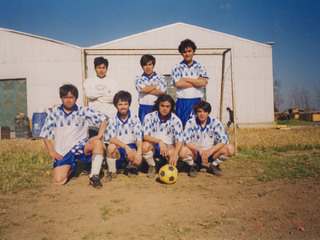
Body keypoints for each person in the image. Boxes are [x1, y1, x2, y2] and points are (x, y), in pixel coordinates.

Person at [40, 84, 107, 188]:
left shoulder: (83, 111)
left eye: (71, 97)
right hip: (63, 152)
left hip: (80, 147)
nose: (68, 100)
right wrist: (52, 152)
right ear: (61, 98)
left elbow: (103, 119)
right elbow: (45, 134)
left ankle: (94, 176)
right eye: (65, 97)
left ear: (76, 98)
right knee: (59, 181)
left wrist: (99, 135)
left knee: (97, 142)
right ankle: (71, 167)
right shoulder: (54, 112)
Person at [179, 100, 234, 177]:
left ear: (208, 113)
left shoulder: (215, 122)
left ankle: (214, 165)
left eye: (205, 111)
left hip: (212, 153)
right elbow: (186, 141)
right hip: (196, 153)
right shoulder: (191, 122)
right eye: (199, 111)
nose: (202, 114)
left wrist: (210, 151)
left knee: (230, 148)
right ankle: (193, 166)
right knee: (182, 151)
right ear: (196, 112)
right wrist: (199, 150)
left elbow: (223, 140)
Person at [104, 91, 143, 181]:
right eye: (120, 104)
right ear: (116, 105)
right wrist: (126, 148)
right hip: (119, 148)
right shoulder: (112, 119)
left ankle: (129, 167)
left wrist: (138, 152)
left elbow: (138, 137)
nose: (123, 107)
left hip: (131, 146)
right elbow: (112, 139)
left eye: (125, 104)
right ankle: (112, 171)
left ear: (129, 104)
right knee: (111, 147)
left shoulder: (135, 118)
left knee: (137, 158)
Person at [142, 94, 183, 178]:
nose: (165, 109)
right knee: (144, 146)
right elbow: (145, 136)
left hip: (168, 147)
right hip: (153, 145)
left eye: (167, 106)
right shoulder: (149, 117)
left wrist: (175, 154)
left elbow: (180, 140)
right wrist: (159, 142)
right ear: (158, 105)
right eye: (162, 106)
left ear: (171, 107)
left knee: (172, 152)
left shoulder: (176, 120)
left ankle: (169, 166)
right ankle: (152, 166)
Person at [171, 39, 209, 127]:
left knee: (197, 127)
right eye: (184, 52)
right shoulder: (177, 67)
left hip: (197, 102)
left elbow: (203, 83)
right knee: (182, 128)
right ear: (181, 53)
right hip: (182, 103)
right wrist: (196, 81)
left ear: (193, 51)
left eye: (189, 51)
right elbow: (177, 84)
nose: (187, 54)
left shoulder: (200, 67)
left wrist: (186, 79)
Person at [83, 56, 119, 136]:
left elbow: (114, 97)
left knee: (110, 143)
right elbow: (89, 94)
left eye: (103, 67)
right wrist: (106, 92)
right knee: (94, 142)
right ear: (95, 68)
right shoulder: (89, 81)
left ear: (107, 68)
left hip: (109, 115)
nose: (101, 70)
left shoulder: (113, 82)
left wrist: (97, 97)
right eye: (99, 67)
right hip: (94, 117)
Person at [135, 54, 167, 122]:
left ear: (153, 65)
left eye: (150, 64)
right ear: (142, 66)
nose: (148, 67)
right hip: (143, 108)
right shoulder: (138, 78)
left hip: (156, 108)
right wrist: (155, 86)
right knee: (143, 130)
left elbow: (162, 91)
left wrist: (146, 88)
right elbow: (141, 89)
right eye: (145, 65)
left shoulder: (161, 77)